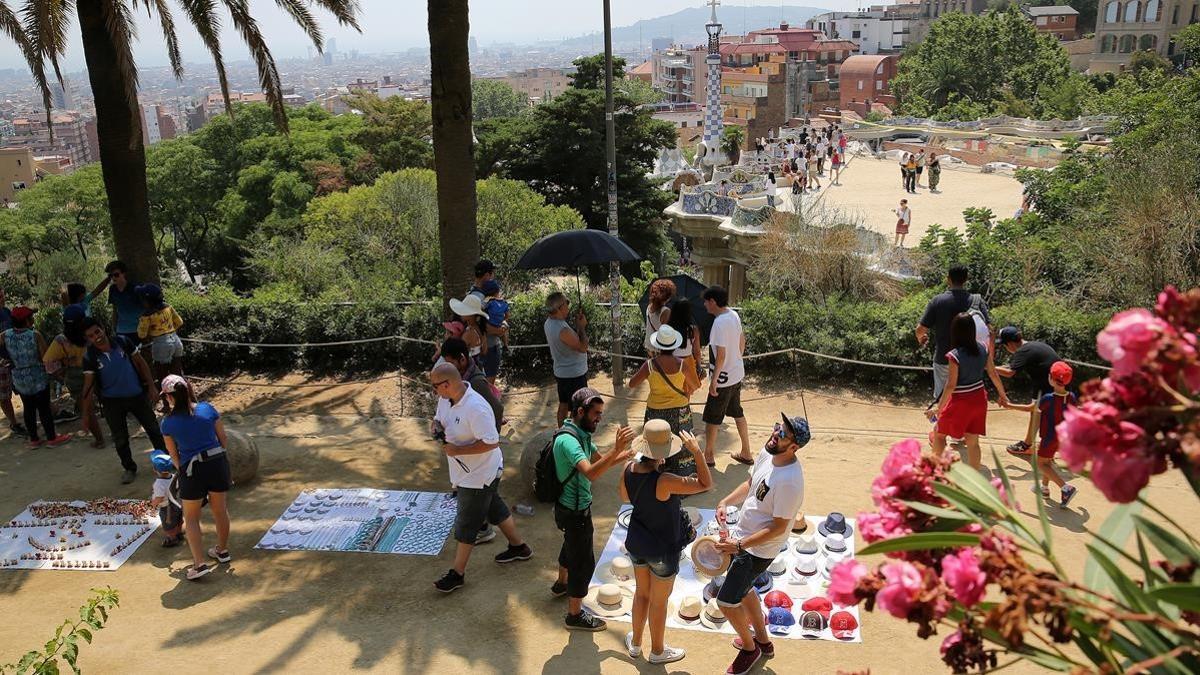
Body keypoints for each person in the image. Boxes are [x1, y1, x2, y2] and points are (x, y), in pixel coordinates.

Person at [713, 415, 810, 675]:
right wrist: (725, 502)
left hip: (756, 549)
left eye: (784, 434)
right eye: (778, 427)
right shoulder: (769, 452)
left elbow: (779, 527)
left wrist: (740, 544)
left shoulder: (790, 481)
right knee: (745, 592)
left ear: (794, 447)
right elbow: (750, 484)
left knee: (726, 602)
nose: (776, 433)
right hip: (744, 540)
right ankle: (763, 642)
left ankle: (749, 648)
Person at [429, 363, 531, 593]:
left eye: (435, 386)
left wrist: (458, 451)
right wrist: (435, 426)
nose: (434, 391)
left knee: (466, 523)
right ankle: (519, 547)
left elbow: (491, 441)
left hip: (478, 474)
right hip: (469, 472)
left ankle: (457, 574)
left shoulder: (476, 408)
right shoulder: (445, 399)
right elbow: (438, 418)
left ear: (446, 384)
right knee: (493, 507)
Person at [619, 423, 712, 663]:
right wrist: (697, 453)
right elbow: (706, 484)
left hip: (637, 544)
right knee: (659, 603)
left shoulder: (628, 469)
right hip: (662, 550)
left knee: (641, 594)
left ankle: (636, 644)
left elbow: (624, 496)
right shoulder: (666, 480)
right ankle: (658, 651)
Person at [550, 387, 634, 631]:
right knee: (583, 563)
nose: (599, 418)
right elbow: (592, 473)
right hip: (575, 511)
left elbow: (599, 460)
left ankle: (561, 584)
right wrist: (616, 451)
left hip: (571, 509)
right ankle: (574, 616)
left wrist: (628, 454)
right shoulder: (568, 441)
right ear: (580, 411)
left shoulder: (580, 432)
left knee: (571, 546)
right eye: (596, 413)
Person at [159, 375, 232, 580]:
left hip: (192, 469)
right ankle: (222, 551)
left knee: (191, 517)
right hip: (217, 462)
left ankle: (199, 564)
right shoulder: (207, 409)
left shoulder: (168, 423)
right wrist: (217, 460)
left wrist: (182, 470)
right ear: (189, 389)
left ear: (169, 397)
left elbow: (174, 455)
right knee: (220, 510)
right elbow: (223, 438)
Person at [81, 318, 167, 484]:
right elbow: (88, 388)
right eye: (91, 336)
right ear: (88, 339)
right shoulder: (89, 357)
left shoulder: (122, 342)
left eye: (97, 332)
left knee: (153, 429)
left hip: (137, 395)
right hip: (111, 402)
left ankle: (165, 461)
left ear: (103, 328)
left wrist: (151, 386)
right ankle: (129, 468)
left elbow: (141, 363)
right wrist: (86, 414)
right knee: (120, 438)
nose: (96, 337)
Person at [927, 313, 1008, 469]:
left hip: (960, 400)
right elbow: (993, 373)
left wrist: (939, 408)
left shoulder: (954, 355)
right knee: (973, 441)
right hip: (978, 398)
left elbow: (951, 385)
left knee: (939, 433)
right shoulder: (983, 349)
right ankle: (974, 479)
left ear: (954, 331)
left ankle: (936, 470)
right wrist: (1003, 395)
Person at [1000, 362, 1079, 506]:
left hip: (1049, 437)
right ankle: (1044, 488)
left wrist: (1008, 405)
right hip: (1061, 437)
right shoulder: (1072, 397)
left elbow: (1030, 408)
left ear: (1051, 379)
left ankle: (1066, 487)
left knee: (1040, 464)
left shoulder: (1048, 398)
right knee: (1047, 461)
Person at [628, 326, 700, 480]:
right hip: (680, 410)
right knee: (682, 445)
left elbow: (632, 384)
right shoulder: (682, 364)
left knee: (653, 444)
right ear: (675, 344)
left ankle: (651, 477)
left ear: (658, 345)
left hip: (655, 411)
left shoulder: (649, 365)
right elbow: (695, 385)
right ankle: (682, 480)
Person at [917, 265, 993, 403]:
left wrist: (921, 339)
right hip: (972, 359)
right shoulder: (977, 300)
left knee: (943, 400)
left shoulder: (938, 301)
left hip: (944, 358)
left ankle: (941, 423)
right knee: (966, 398)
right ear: (966, 279)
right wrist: (988, 356)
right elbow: (989, 330)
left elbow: (920, 329)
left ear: (948, 279)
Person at [1, 307, 70, 448]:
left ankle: (34, 439)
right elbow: (46, 357)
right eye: (31, 318)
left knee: (28, 408)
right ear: (26, 321)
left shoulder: (5, 335)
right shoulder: (35, 335)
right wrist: (57, 374)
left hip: (19, 377)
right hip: (37, 375)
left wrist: (3, 359)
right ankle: (51, 438)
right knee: (44, 408)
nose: (32, 320)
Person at [702, 286, 751, 467]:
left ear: (713, 301)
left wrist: (714, 381)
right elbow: (742, 339)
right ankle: (746, 451)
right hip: (736, 374)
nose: (705, 305)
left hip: (723, 379)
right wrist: (736, 359)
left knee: (713, 418)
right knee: (737, 412)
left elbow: (720, 356)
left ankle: (708, 455)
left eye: (706, 301)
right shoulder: (733, 315)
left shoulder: (718, 323)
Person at [43, 305, 104, 447]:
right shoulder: (91, 334)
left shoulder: (61, 340)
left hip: (75, 375)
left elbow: (48, 361)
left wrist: (62, 372)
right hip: (98, 369)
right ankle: (117, 432)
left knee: (86, 409)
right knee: (108, 401)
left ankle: (99, 440)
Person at [994, 327, 1061, 455]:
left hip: (1047, 383)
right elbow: (1011, 367)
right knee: (1039, 413)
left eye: (1004, 346)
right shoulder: (1031, 346)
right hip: (1052, 380)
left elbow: (1009, 372)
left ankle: (1029, 445)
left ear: (1009, 344)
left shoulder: (1023, 352)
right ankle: (1029, 444)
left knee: (1036, 411)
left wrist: (989, 368)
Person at [544, 292, 589, 427]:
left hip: (562, 373)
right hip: (574, 374)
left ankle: (561, 431)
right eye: (566, 303)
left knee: (563, 403)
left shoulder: (549, 323)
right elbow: (583, 347)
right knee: (577, 407)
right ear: (559, 308)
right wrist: (581, 327)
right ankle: (571, 434)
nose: (568, 305)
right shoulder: (562, 329)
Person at [135, 284, 184, 394]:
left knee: (162, 375)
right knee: (178, 374)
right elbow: (179, 322)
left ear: (147, 301)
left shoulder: (147, 315)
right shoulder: (168, 307)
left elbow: (141, 335)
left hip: (160, 344)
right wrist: (169, 330)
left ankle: (166, 403)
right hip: (176, 340)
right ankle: (185, 398)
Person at [467, 260, 507, 385]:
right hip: (488, 348)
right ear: (487, 275)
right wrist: (501, 330)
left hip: (477, 348)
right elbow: (479, 324)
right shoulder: (481, 297)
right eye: (492, 273)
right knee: (487, 387)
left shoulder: (472, 294)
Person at [0, 289, 26, 436]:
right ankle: (14, 424)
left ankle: (30, 417)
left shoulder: (6, 312)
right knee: (4, 396)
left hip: (14, 357)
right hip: (1, 361)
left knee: (22, 388)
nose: (2, 298)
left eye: (2, 294)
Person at [148, 450, 184, 547]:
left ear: (155, 470)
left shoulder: (159, 484)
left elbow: (159, 497)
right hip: (177, 504)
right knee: (178, 520)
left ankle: (172, 538)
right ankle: (179, 533)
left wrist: (153, 504)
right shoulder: (174, 477)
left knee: (168, 526)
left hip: (167, 508)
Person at [104, 261, 142, 345]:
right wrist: (114, 327)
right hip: (121, 330)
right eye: (111, 275)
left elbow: (145, 308)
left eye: (116, 275)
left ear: (123, 274)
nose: (113, 278)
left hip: (138, 330)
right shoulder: (112, 289)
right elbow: (115, 309)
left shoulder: (135, 289)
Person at [480, 279, 511, 367]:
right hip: (499, 324)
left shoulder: (489, 301)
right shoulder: (504, 303)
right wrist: (502, 319)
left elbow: (482, 308)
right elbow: (508, 316)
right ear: (497, 291)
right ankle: (506, 345)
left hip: (489, 322)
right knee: (504, 331)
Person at [644, 278, 675, 353]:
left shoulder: (649, 307)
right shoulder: (665, 311)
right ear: (668, 297)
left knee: (651, 365)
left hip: (649, 346)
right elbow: (667, 333)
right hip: (659, 348)